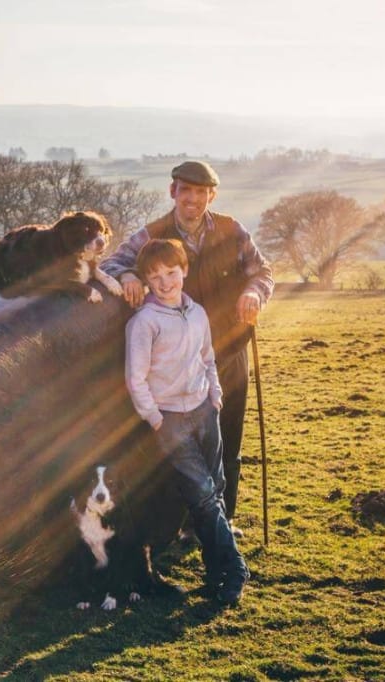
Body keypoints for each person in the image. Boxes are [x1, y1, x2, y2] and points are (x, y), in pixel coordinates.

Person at [102, 160, 273, 535]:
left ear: (211, 195)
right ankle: (178, 523)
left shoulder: (232, 231)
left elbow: (262, 271)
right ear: (172, 192)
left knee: (227, 436)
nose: (192, 199)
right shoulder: (153, 234)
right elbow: (111, 262)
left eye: (201, 192)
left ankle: (222, 521)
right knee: (178, 442)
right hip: (174, 361)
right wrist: (129, 274)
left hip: (228, 350)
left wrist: (252, 292)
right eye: (185, 190)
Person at [124, 238, 248, 605]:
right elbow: (136, 378)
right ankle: (236, 568)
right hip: (171, 420)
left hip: (204, 410)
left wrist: (215, 393)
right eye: (155, 277)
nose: (165, 283)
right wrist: (155, 418)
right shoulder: (144, 323)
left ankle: (215, 574)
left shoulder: (197, 313)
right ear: (146, 280)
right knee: (203, 493)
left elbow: (208, 357)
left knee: (217, 486)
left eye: (171, 273)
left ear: (184, 271)